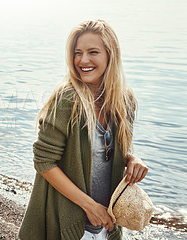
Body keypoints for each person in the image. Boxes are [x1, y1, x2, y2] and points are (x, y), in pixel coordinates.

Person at [19, 20, 149, 240]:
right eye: (77, 53)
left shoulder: (125, 102)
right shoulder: (67, 100)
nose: (83, 60)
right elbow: (44, 161)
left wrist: (131, 160)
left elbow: (104, 153)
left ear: (111, 55)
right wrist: (90, 207)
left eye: (93, 52)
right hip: (68, 224)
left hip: (107, 226)